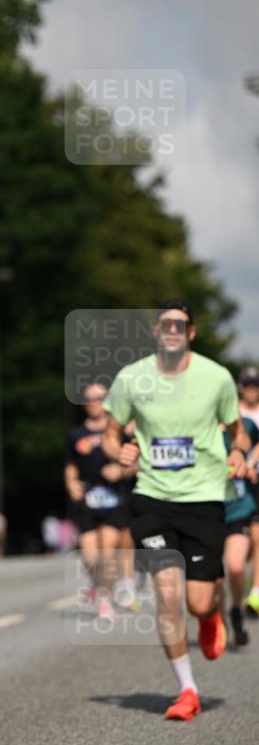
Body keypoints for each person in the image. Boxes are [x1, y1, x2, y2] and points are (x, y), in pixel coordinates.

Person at [103, 299, 250, 721]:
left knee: (199, 602)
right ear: (155, 331)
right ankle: (187, 689)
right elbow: (111, 433)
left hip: (204, 497)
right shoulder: (132, 378)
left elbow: (238, 432)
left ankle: (210, 616)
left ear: (191, 333)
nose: (171, 330)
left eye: (179, 325)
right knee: (168, 595)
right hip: (152, 497)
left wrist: (238, 453)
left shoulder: (216, 377)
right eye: (164, 324)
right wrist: (120, 451)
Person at [65, 383, 138, 620]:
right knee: (90, 557)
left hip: (114, 498)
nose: (94, 402)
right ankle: (97, 585)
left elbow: (139, 463)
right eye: (89, 398)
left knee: (108, 552)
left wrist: (121, 471)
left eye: (99, 398)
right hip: (87, 500)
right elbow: (70, 465)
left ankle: (105, 600)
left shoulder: (119, 432)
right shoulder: (76, 434)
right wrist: (71, 483)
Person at [215, 415, 259, 647]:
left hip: (238, 507)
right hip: (207, 509)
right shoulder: (198, 424)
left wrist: (250, 464)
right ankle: (219, 619)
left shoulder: (245, 425)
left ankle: (236, 611)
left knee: (235, 565)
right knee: (215, 575)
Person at [238, 365, 259, 617]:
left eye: (256, 385)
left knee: (257, 536)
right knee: (237, 541)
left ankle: (255, 591)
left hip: (256, 481)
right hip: (233, 481)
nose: (252, 389)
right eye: (248, 385)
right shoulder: (233, 411)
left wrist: (252, 463)